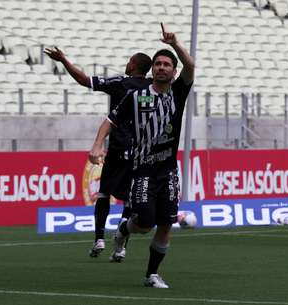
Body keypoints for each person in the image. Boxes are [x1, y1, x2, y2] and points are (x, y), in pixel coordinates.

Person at [88, 23, 194, 288]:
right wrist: (97, 145)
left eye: (166, 64)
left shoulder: (178, 93)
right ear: (153, 69)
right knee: (145, 223)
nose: (161, 67)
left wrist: (175, 44)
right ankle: (123, 232)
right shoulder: (136, 97)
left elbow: (191, 66)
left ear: (173, 70)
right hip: (143, 169)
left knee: (167, 223)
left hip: (168, 170)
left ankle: (151, 275)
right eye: (157, 64)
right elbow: (109, 121)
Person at [44, 47, 152, 259]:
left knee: (104, 192)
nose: (127, 64)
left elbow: (85, 80)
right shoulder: (152, 88)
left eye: (130, 61)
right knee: (130, 200)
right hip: (141, 151)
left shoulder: (120, 83)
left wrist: (64, 60)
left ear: (134, 65)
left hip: (119, 148)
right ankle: (121, 248)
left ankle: (99, 239)